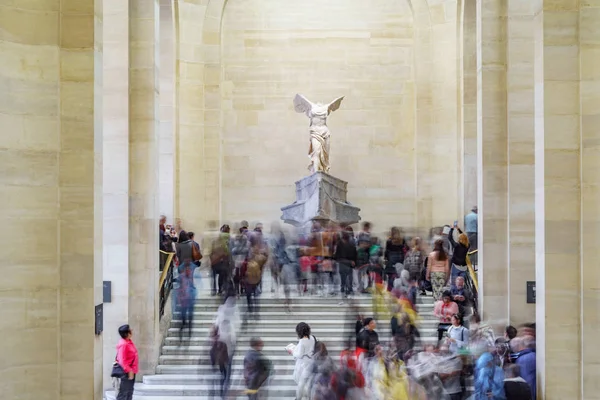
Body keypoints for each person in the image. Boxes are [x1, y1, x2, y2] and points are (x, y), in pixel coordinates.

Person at [288, 322, 317, 400]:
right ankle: (308, 396)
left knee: (301, 383)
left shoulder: (302, 341)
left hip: (303, 364)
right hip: (311, 362)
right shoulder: (312, 338)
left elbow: (299, 355)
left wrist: (292, 351)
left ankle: (299, 398)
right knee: (306, 382)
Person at [116, 324, 139, 400]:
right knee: (124, 394)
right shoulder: (124, 344)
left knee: (129, 392)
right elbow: (122, 361)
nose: (132, 330)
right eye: (130, 330)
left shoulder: (128, 341)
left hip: (131, 371)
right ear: (127, 333)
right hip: (126, 372)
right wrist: (129, 371)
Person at [335, 230, 358, 298]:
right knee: (347, 278)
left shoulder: (341, 243)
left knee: (345, 278)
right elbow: (354, 253)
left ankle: (346, 290)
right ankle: (347, 290)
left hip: (345, 262)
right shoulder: (347, 244)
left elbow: (337, 255)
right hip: (347, 262)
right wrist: (353, 261)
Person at [384, 227, 408, 291]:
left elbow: (387, 251)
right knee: (399, 274)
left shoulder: (389, 241)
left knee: (391, 274)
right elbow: (405, 250)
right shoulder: (402, 240)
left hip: (391, 257)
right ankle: (398, 289)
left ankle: (390, 288)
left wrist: (385, 259)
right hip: (400, 257)